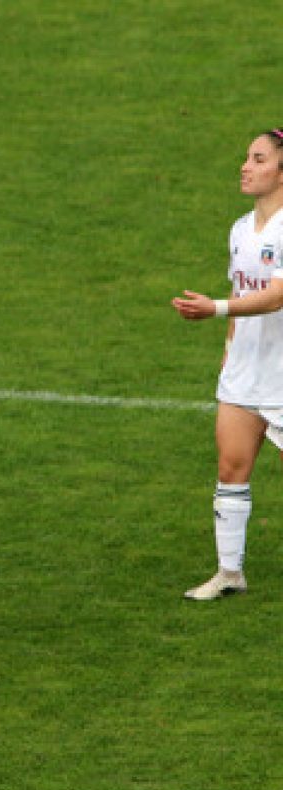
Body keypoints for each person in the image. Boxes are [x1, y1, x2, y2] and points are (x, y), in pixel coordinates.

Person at [173, 130, 283, 600]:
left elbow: (277, 296)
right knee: (231, 468)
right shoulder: (240, 229)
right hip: (243, 373)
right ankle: (229, 572)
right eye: (246, 158)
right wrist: (227, 354)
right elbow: (244, 295)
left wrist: (214, 309)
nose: (245, 166)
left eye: (258, 159)